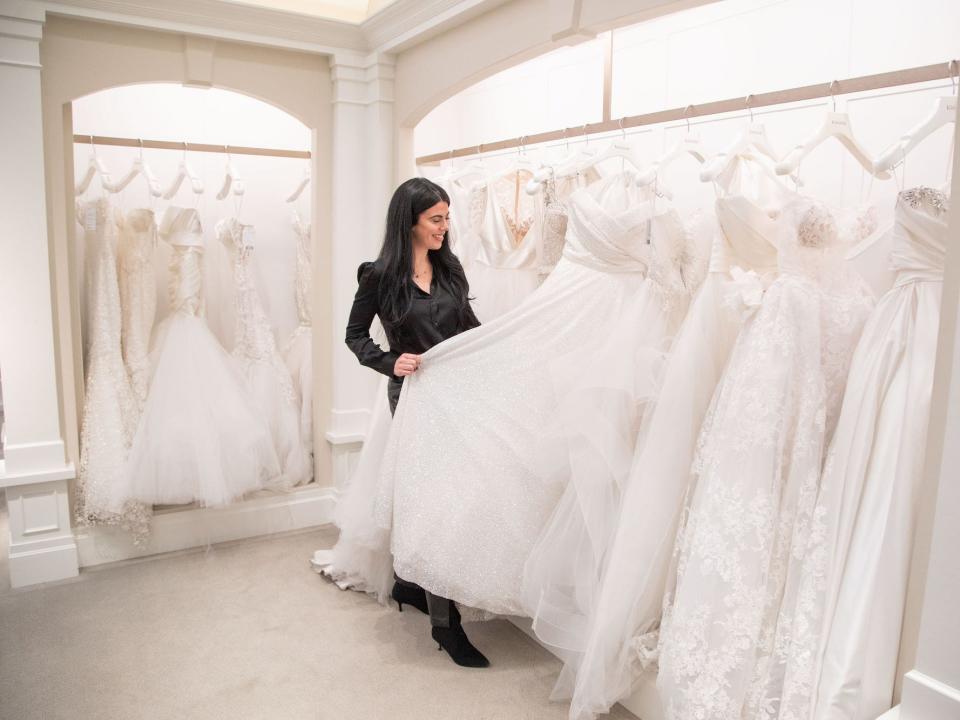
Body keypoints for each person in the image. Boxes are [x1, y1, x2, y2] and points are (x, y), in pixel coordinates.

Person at [344, 177, 487, 668]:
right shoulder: (378, 276)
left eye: (447, 218)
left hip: (457, 397)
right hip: (413, 399)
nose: (445, 228)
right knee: (436, 505)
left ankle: (411, 583)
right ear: (409, 222)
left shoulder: (450, 271)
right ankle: (447, 627)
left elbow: (468, 330)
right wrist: (390, 361)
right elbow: (354, 336)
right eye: (436, 219)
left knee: (454, 500)